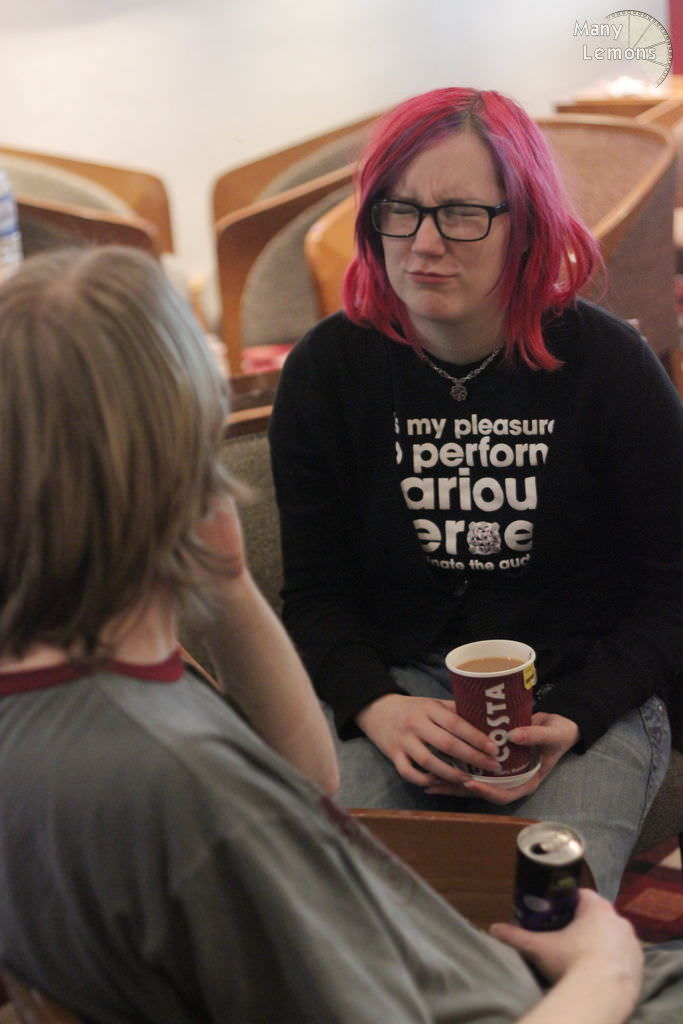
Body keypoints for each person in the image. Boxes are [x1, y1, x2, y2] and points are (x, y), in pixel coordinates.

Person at [0, 244, 683, 1023]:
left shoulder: (73, 701)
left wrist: (226, 578)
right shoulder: (198, 798)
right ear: (189, 445)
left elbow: (310, 778)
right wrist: (604, 970)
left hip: (447, 969)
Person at [269, 87, 683, 900]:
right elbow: (315, 596)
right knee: (339, 906)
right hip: (399, 689)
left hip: (582, 692)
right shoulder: (326, 371)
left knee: (541, 914)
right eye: (399, 210)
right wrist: (376, 706)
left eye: (461, 214)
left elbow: (673, 590)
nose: (424, 243)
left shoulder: (609, 367)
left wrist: (579, 711)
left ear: (523, 223)